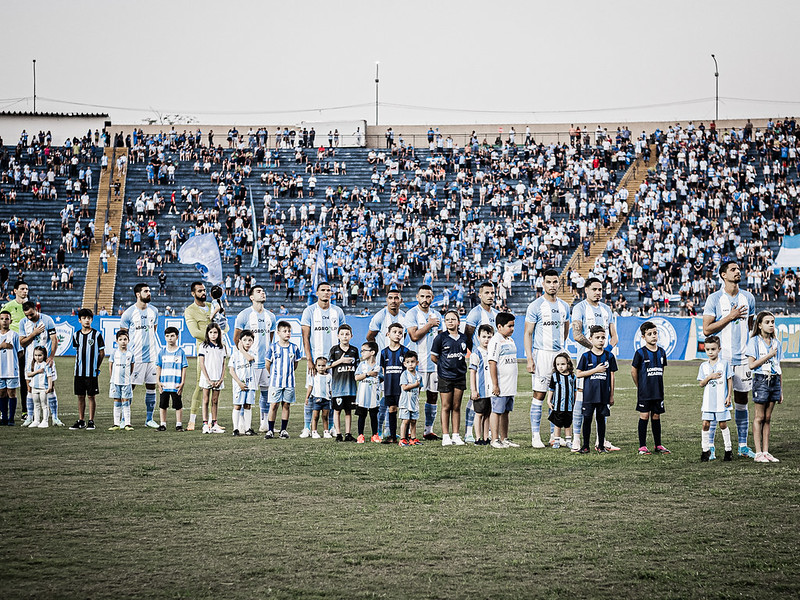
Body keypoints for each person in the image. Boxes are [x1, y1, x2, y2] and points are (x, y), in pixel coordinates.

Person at [702, 260, 757, 459]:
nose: (737, 271)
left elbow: (751, 328)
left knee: (742, 402)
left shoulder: (748, 298)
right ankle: (711, 448)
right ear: (723, 275)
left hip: (743, 360)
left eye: (738, 269)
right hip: (721, 361)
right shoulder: (714, 299)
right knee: (718, 405)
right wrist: (730, 317)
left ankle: (743, 445)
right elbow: (707, 329)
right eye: (733, 269)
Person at [571, 277, 619, 451]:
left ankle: (601, 439)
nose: (598, 292)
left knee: (602, 399)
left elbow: (614, 337)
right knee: (581, 397)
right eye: (595, 289)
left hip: (603, 362)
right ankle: (577, 438)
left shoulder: (607, 309)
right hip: (586, 360)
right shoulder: (580, 308)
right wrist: (595, 350)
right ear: (586, 290)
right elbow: (577, 335)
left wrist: (605, 352)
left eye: (600, 289)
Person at [524, 269, 570, 448]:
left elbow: (565, 331)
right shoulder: (536, 306)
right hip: (542, 354)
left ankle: (554, 435)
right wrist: (530, 358)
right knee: (539, 394)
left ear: (559, 283)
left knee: (558, 395)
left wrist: (561, 351)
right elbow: (528, 333)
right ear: (543, 283)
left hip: (559, 355)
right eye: (549, 282)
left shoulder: (564, 306)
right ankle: (535, 436)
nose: (552, 285)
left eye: (555, 282)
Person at [300, 281, 346, 437]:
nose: (326, 292)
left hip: (334, 361)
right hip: (317, 362)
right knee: (312, 392)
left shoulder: (338, 312)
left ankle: (331, 426)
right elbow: (305, 338)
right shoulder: (309, 311)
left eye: (329, 290)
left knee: (332, 393)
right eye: (323, 290)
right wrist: (309, 360)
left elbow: (343, 335)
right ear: (317, 293)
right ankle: (307, 427)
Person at [233, 285, 277, 433]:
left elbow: (270, 339)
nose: (262, 293)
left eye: (263, 291)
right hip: (249, 364)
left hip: (265, 363)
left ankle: (264, 422)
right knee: (245, 393)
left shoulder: (270, 317)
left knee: (266, 392)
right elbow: (236, 339)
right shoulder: (244, 315)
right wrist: (246, 355)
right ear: (251, 297)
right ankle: (241, 423)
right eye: (258, 291)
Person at [184, 282, 223, 431]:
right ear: (193, 293)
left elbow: (224, 326)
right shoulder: (190, 311)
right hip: (204, 350)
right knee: (201, 386)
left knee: (217, 385)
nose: (203, 293)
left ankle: (214, 422)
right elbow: (194, 332)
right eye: (200, 291)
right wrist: (214, 337)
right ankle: (192, 420)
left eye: (204, 290)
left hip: (218, 351)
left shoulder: (212, 305)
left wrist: (220, 319)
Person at [120, 283, 160, 428]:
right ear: (138, 294)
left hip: (152, 357)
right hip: (135, 358)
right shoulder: (129, 313)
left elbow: (153, 331)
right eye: (146, 291)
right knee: (129, 388)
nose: (149, 293)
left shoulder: (154, 311)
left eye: (149, 291)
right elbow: (123, 335)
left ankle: (149, 419)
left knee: (151, 387)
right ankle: (125, 418)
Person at [367, 288, 406, 437]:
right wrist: (379, 354)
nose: (393, 301)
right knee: (383, 397)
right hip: (384, 362)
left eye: (396, 298)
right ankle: (379, 429)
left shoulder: (404, 317)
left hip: (398, 362)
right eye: (390, 298)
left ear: (400, 300)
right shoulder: (380, 316)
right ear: (386, 300)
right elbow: (370, 336)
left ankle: (389, 429)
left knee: (395, 398)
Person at [463, 282, 499, 442]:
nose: (490, 295)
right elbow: (468, 336)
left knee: (489, 398)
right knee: (475, 398)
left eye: (492, 293)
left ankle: (487, 433)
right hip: (479, 361)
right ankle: (468, 431)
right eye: (487, 293)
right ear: (480, 295)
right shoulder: (475, 313)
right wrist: (476, 354)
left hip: (493, 361)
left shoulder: (496, 313)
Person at [746, 311, 783, 463]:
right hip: (761, 380)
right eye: (767, 322)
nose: (771, 325)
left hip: (774, 381)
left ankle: (766, 452)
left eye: (773, 322)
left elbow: (779, 367)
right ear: (760, 325)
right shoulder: (754, 341)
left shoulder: (777, 343)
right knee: (759, 417)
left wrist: (781, 390)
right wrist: (768, 355)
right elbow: (751, 365)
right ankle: (758, 452)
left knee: (768, 418)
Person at [406, 285, 442, 440]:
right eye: (422, 296)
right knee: (413, 396)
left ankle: (428, 430)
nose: (425, 300)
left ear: (432, 298)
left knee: (433, 396)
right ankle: (408, 431)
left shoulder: (437, 314)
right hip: (416, 365)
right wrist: (429, 325)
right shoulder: (412, 314)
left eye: (428, 297)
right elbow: (414, 336)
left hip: (434, 364)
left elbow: (441, 338)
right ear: (417, 297)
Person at [431, 310, 471, 446]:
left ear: (458, 322)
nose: (450, 321)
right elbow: (434, 357)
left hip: (460, 376)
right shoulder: (440, 338)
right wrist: (443, 366)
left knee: (456, 406)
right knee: (446, 406)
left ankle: (456, 435)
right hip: (445, 377)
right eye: (447, 319)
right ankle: (445, 436)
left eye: (453, 319)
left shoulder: (464, 338)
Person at [576, 326, 617, 454]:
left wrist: (611, 395)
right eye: (597, 337)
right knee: (587, 419)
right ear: (590, 339)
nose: (601, 340)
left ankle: (600, 445)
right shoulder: (586, 356)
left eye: (603, 337)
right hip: (589, 395)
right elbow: (578, 374)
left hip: (603, 395)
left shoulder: (609, 356)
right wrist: (595, 370)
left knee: (601, 420)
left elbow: (611, 376)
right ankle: (585, 446)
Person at [630, 322, 670, 455]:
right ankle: (642, 446)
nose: (653, 336)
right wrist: (640, 386)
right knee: (644, 416)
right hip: (645, 392)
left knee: (656, 416)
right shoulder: (640, 353)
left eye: (655, 333)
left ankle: (658, 445)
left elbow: (662, 369)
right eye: (649, 334)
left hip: (658, 391)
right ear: (643, 337)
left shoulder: (662, 352)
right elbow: (633, 371)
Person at [19, 302, 60, 428]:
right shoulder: (23, 323)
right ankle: (30, 417)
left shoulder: (47, 320)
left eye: (31, 314)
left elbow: (54, 339)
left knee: (50, 388)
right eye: (27, 316)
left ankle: (55, 417)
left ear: (36, 309)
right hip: (30, 362)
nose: (29, 317)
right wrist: (33, 333)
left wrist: (51, 357)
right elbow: (22, 343)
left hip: (46, 361)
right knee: (30, 389)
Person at [264, 321, 303, 439]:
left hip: (289, 382)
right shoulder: (273, 347)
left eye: (289, 331)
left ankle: (283, 430)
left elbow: (295, 364)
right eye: (285, 331)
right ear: (278, 333)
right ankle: (270, 430)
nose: (288, 333)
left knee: (286, 405)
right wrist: (275, 375)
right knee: (274, 405)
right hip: (275, 382)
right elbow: (267, 364)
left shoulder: (294, 348)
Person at [698, 335, 733, 462]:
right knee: (705, 424)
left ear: (719, 349)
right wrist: (710, 377)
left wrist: (729, 395)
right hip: (708, 402)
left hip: (721, 401)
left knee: (723, 424)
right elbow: (701, 383)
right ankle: (705, 450)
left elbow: (729, 379)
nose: (710, 352)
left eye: (713, 349)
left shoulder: (724, 364)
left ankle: (728, 450)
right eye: (708, 349)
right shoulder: (703, 366)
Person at [488, 312, 519, 449]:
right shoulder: (495, 341)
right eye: (509, 326)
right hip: (500, 385)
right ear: (499, 326)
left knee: (506, 412)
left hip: (510, 384)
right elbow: (492, 363)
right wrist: (495, 384)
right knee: (497, 411)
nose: (512, 329)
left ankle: (504, 438)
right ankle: (494, 439)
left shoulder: (510, 340)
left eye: (513, 326)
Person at [72, 308, 104, 430]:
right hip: (78, 372)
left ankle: (91, 421)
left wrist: (97, 367)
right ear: (80, 320)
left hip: (91, 372)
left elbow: (101, 353)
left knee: (91, 396)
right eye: (84, 318)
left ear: (92, 320)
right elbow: (77, 351)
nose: (87, 320)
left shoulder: (97, 335)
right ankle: (81, 420)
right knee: (80, 396)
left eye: (89, 318)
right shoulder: (76, 335)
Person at [2, 281, 30, 420]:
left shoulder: (30, 307)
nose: (25, 291)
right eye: (22, 289)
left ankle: (25, 411)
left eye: (26, 289)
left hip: (26, 349)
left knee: (25, 380)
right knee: (5, 380)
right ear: (15, 291)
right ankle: (4, 412)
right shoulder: (8, 306)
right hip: (10, 349)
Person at [329, 324, 359, 441]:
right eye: (342, 334)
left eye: (347, 334)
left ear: (351, 336)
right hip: (338, 387)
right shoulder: (334, 350)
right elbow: (329, 365)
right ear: (338, 336)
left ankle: (348, 434)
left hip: (350, 387)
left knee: (348, 411)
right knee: (337, 410)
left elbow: (358, 367)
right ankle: (338, 434)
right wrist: (341, 360)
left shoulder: (354, 350)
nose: (344, 337)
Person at [379, 322, 408, 444]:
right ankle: (392, 436)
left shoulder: (405, 351)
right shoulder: (384, 352)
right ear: (388, 334)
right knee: (391, 409)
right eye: (394, 332)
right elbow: (383, 370)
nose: (397, 335)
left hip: (402, 387)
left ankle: (405, 436)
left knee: (405, 410)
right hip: (389, 386)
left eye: (400, 333)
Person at [155, 326, 188, 432]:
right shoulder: (162, 352)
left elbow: (184, 367)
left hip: (176, 384)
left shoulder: (180, 352)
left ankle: (179, 424)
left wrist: (182, 382)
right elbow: (158, 366)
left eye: (172, 336)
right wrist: (158, 381)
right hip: (164, 384)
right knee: (163, 405)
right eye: (168, 336)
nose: (170, 338)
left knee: (178, 405)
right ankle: (162, 424)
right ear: (165, 337)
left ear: (177, 337)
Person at [198, 323, 227, 434]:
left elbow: (224, 364)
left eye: (215, 332)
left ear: (218, 334)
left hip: (218, 378)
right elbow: (202, 363)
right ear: (207, 334)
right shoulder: (203, 346)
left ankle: (214, 423)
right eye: (211, 332)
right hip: (207, 378)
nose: (213, 335)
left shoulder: (222, 347)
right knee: (205, 400)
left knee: (215, 401)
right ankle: (205, 423)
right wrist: (208, 379)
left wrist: (221, 379)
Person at [468, 324, 494, 446]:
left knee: (488, 414)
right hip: (480, 390)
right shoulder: (476, 354)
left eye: (489, 337)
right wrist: (473, 390)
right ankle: (478, 437)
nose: (486, 340)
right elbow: (472, 373)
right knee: (479, 414)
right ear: (478, 337)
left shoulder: (493, 352)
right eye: (484, 336)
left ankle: (486, 436)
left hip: (491, 390)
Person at [229, 329, 257, 436]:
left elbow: (250, 359)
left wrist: (241, 349)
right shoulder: (235, 355)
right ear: (240, 341)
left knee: (248, 405)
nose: (248, 342)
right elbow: (231, 370)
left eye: (250, 340)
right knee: (237, 406)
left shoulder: (253, 353)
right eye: (245, 340)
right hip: (238, 385)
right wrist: (239, 382)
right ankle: (235, 429)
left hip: (250, 384)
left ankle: (248, 428)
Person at [546, 353, 576, 449]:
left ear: (568, 364)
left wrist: (576, 402)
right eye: (558, 364)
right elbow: (551, 389)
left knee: (568, 424)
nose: (560, 367)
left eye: (563, 364)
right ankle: (556, 441)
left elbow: (575, 390)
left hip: (569, 406)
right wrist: (548, 401)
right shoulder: (555, 376)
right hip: (558, 406)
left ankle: (568, 441)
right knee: (557, 425)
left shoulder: (572, 376)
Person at [354, 341, 382, 443]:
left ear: (372, 352)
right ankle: (360, 435)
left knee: (374, 416)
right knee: (362, 416)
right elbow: (357, 377)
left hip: (374, 396)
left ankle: (374, 435)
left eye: (364, 351)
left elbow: (382, 378)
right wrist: (368, 374)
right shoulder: (362, 365)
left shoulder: (379, 366)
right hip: (362, 396)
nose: (362, 353)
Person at [108, 329, 134, 431]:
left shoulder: (130, 354)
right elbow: (111, 366)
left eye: (125, 339)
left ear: (128, 340)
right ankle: (116, 423)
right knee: (116, 401)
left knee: (126, 401)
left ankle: (127, 423)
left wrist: (128, 377)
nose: (123, 341)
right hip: (115, 382)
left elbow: (132, 367)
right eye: (120, 339)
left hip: (126, 382)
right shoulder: (114, 353)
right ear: (117, 341)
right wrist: (112, 378)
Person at [25, 346, 54, 428]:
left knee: (44, 404)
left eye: (39, 355)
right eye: (35, 355)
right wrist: (37, 371)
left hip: (43, 388)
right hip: (34, 387)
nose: (37, 357)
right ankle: (36, 420)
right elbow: (28, 374)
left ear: (44, 355)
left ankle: (45, 421)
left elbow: (49, 376)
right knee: (36, 404)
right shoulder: (33, 364)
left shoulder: (46, 365)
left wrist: (50, 387)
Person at [0, 311, 20, 425]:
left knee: (11, 393)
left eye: (6, 319)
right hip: (0, 369)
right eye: (2, 319)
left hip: (11, 369)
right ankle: (4, 417)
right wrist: (2, 346)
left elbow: (20, 353)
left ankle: (11, 418)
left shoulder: (14, 335)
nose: (4, 321)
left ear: (10, 321)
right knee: (1, 393)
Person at [398, 351, 423, 447]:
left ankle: (413, 438)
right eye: (408, 362)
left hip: (414, 402)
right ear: (404, 364)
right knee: (405, 420)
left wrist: (417, 392)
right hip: (405, 403)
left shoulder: (419, 376)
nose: (410, 364)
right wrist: (415, 385)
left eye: (412, 362)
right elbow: (404, 387)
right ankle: (403, 439)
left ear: (417, 363)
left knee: (413, 420)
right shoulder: (404, 374)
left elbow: (420, 388)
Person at [305, 357, 332, 438]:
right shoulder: (314, 376)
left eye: (323, 365)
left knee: (325, 416)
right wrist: (307, 397)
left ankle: (326, 431)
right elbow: (310, 387)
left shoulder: (329, 376)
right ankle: (314, 431)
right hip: (316, 399)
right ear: (316, 366)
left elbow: (331, 389)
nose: (321, 367)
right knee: (315, 416)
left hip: (326, 399)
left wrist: (332, 397)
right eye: (319, 365)